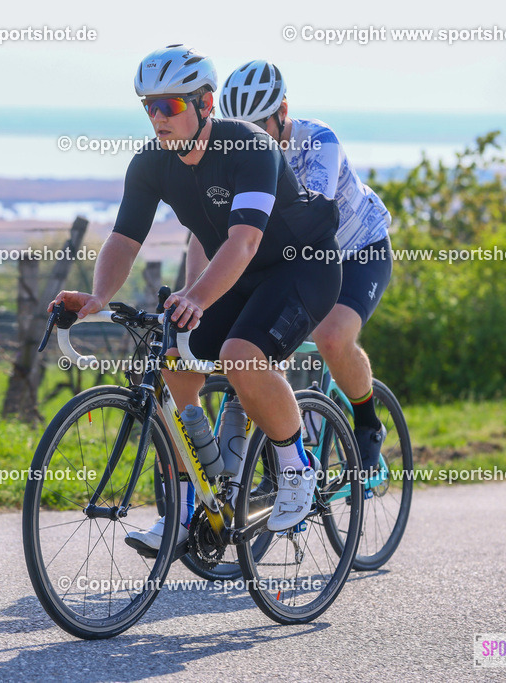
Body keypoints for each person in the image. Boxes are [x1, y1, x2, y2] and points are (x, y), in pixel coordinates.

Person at [50, 45, 342, 553]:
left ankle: (298, 468)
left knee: (240, 356)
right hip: (241, 277)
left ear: (206, 103)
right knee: (173, 360)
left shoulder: (249, 147)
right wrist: (98, 296)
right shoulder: (150, 164)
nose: (158, 118)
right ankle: (193, 506)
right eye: (150, 107)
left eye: (172, 106)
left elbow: (244, 241)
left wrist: (196, 297)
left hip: (302, 267)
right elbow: (124, 240)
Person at [221, 59, 393, 472]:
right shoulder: (236, 153)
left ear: (282, 112)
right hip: (295, 260)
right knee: (257, 354)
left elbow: (310, 216)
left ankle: (368, 423)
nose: (250, 141)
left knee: (331, 337)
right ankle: (279, 464)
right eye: (241, 132)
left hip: (357, 251)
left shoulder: (319, 141)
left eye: (258, 129)